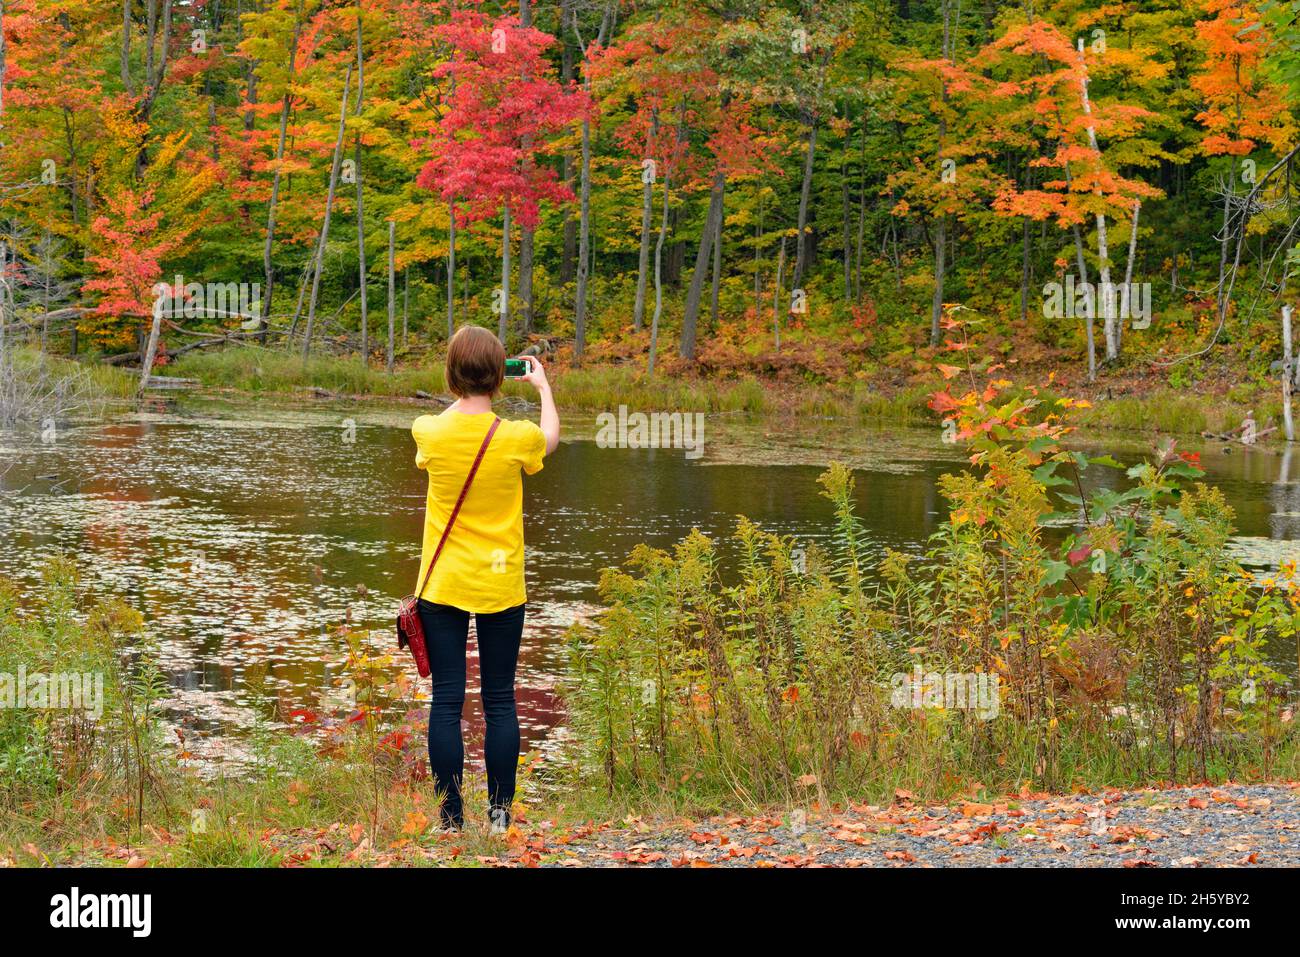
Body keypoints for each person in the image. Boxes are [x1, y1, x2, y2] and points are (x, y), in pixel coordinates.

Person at [411, 325, 559, 833]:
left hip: (444, 584)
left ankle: (451, 819)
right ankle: (499, 816)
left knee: (447, 701)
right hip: (500, 586)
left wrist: (465, 394)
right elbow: (551, 439)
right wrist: (542, 389)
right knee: (500, 698)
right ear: (500, 379)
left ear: (451, 377)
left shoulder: (429, 430)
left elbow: (451, 420)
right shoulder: (517, 438)